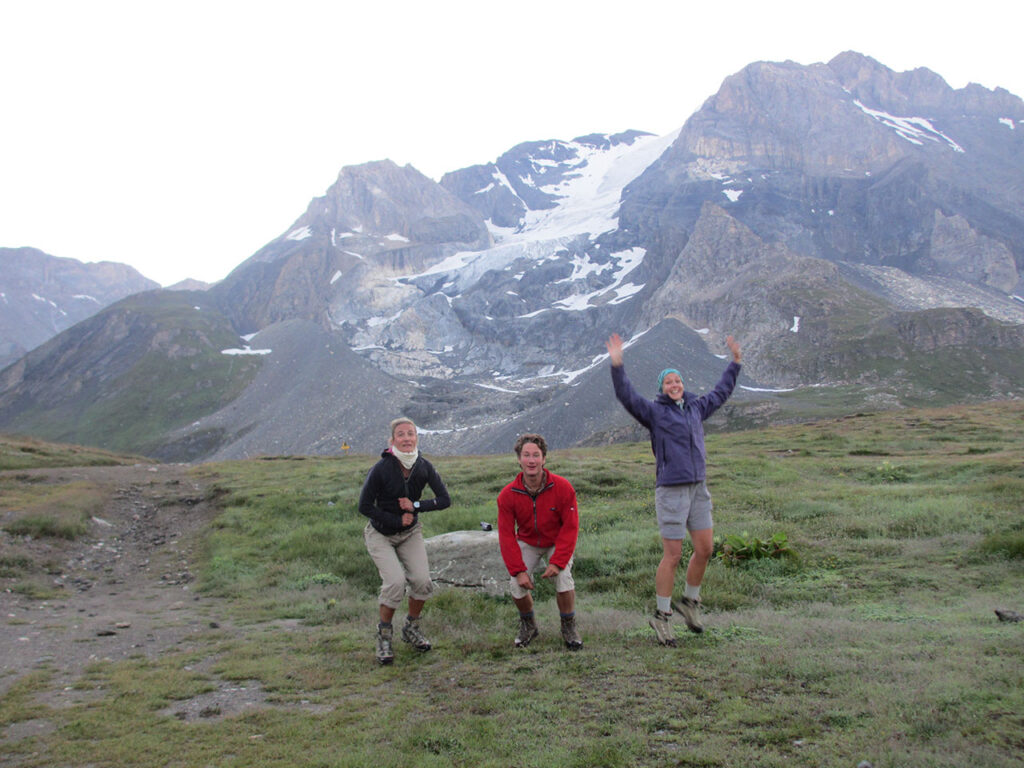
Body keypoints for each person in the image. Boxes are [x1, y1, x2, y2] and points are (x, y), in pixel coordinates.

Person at [605, 332, 742, 646]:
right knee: (673, 555)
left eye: (677, 380)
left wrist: (735, 363)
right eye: (668, 382)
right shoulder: (655, 413)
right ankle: (662, 617)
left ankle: (690, 603)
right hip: (671, 489)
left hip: (698, 488)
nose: (675, 385)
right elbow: (627, 396)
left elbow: (721, 392)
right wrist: (617, 365)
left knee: (705, 548)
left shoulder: (696, 408)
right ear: (662, 389)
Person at [358, 417, 450, 665]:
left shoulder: (423, 466)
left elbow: (444, 499)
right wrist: (394, 520)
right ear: (392, 440)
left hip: (410, 533)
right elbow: (364, 506)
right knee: (395, 583)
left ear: (416, 438)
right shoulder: (381, 468)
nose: (407, 438)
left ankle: (411, 628)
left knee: (422, 582)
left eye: (411, 434)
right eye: (401, 434)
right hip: (380, 534)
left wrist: (417, 505)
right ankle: (384, 635)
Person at [497, 433, 583, 650]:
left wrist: (557, 561)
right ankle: (529, 625)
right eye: (526, 455)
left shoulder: (563, 487)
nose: (531, 460)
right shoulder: (507, 495)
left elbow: (570, 528)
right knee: (516, 584)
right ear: (519, 459)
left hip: (556, 541)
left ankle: (568, 626)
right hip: (528, 541)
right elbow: (506, 535)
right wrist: (518, 570)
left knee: (563, 577)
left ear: (544, 459)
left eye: (536, 455)